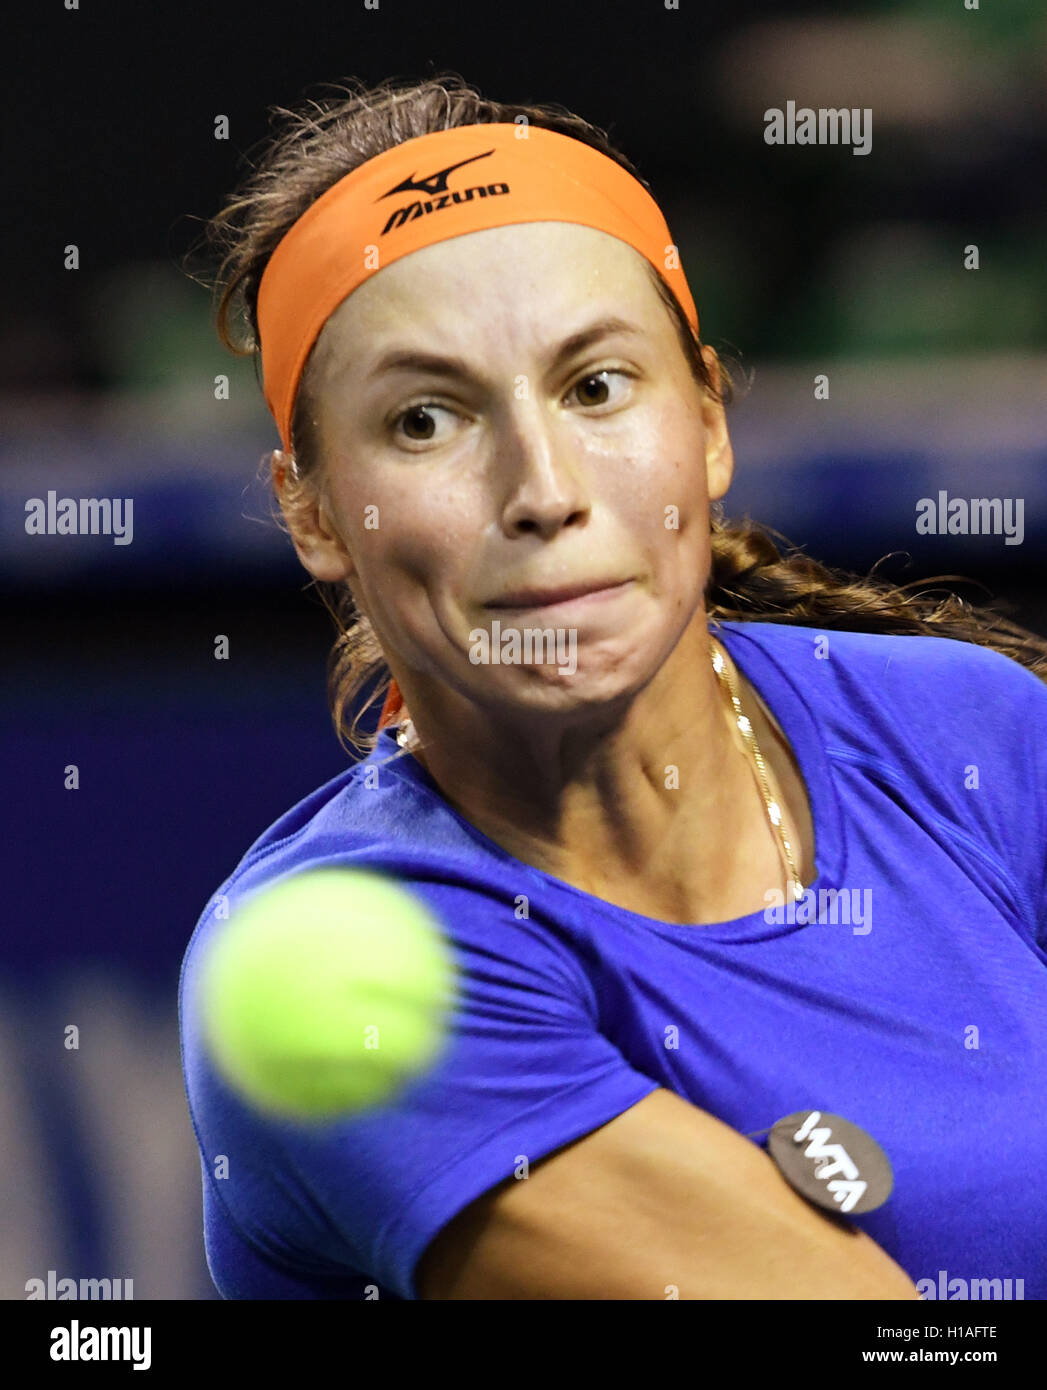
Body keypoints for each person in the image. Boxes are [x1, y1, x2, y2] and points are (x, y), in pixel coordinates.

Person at [179, 74, 1047, 1301]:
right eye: (426, 420)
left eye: (596, 387)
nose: (543, 488)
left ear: (707, 420)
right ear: (312, 510)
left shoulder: (973, 732)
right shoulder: (356, 977)